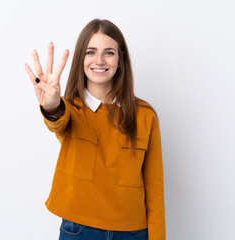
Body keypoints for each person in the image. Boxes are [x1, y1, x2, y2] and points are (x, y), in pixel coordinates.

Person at [24, 19, 166, 240]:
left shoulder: (146, 116)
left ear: (121, 60)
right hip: (79, 231)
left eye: (109, 52)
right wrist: (50, 104)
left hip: (133, 233)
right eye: (91, 52)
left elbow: (155, 190)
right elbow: (57, 119)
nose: (99, 60)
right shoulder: (70, 109)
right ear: (81, 59)